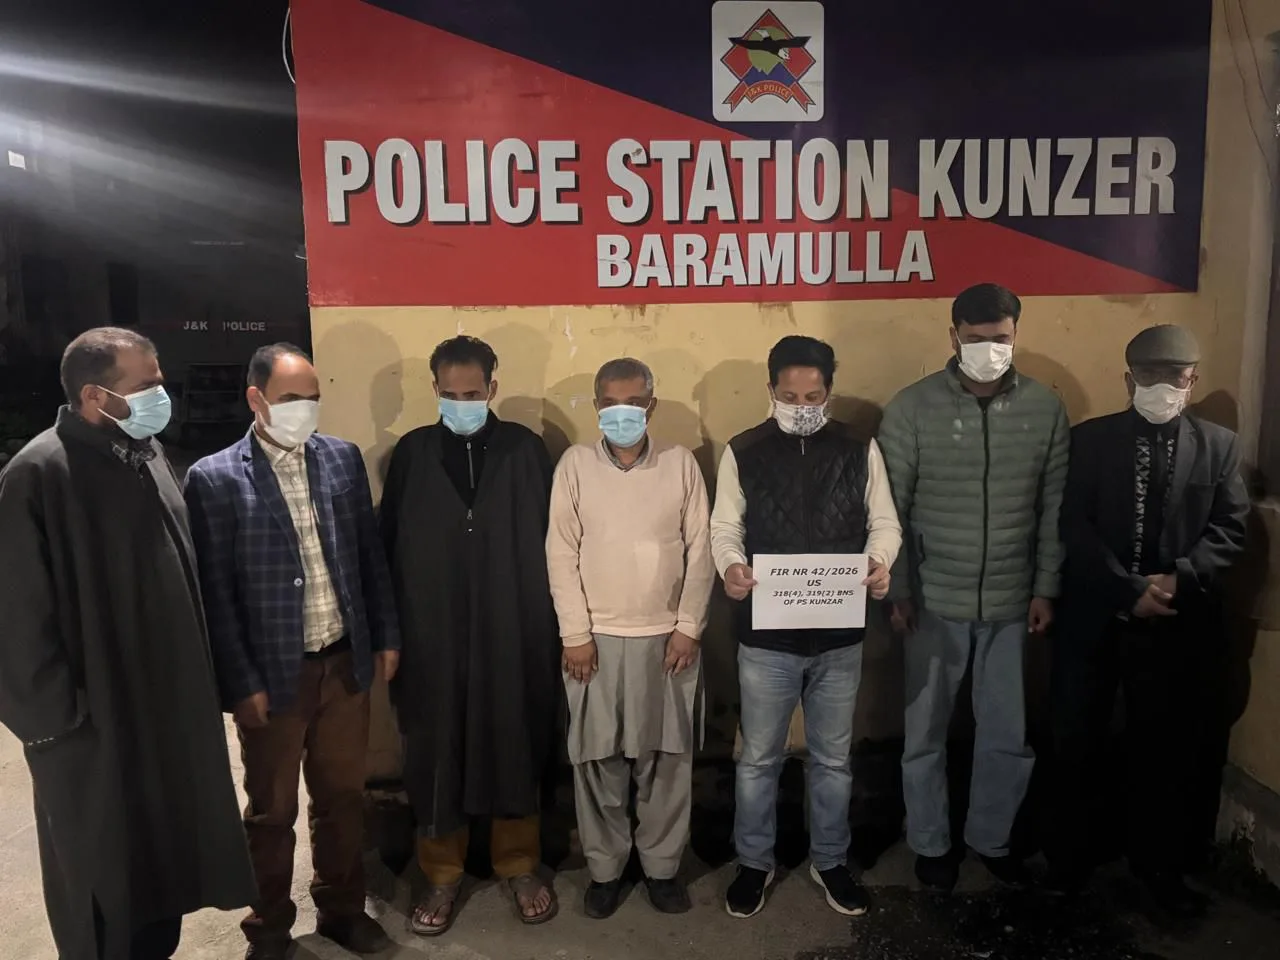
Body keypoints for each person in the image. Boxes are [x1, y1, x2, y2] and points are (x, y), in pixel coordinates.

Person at [0, 328, 256, 960]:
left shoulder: (144, 455)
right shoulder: (38, 473)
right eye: (147, 385)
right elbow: (17, 620)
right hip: (96, 727)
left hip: (164, 711)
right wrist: (60, 726)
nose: (161, 396)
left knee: (163, 867)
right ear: (95, 395)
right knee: (104, 877)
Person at [183, 344, 400, 959]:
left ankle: (342, 911)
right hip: (273, 677)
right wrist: (239, 682)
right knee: (271, 813)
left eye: (312, 398)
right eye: (289, 399)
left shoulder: (340, 459)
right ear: (256, 399)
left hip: (342, 663)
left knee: (342, 800)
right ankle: (270, 926)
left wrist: (384, 635)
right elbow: (216, 593)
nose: (304, 410)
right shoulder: (216, 478)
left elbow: (368, 556)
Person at [1048, 325, 1248, 912]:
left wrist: (1180, 577)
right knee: (1077, 737)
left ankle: (1158, 864)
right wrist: (1126, 588)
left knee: (1164, 748)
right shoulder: (1089, 441)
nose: (1162, 386)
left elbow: (1230, 527)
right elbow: (1072, 524)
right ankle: (1069, 860)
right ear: (1127, 379)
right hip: (1096, 614)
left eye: (1174, 377)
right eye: (1150, 375)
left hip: (1176, 623)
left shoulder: (1219, 447)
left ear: (1193, 381)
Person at [878, 283, 1069, 891]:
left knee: (1008, 734)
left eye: (1001, 338)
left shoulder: (1045, 408)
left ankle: (992, 838)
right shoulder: (911, 409)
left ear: (1016, 335)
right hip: (933, 601)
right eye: (977, 338)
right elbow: (890, 511)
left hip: (1013, 602)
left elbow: (1053, 508)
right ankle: (930, 843)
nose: (990, 348)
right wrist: (899, 591)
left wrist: (1045, 587)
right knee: (924, 734)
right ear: (953, 335)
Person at [710, 335, 902, 919]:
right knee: (758, 760)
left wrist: (879, 563)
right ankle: (754, 862)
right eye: (789, 396)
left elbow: (884, 522)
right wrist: (731, 567)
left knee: (833, 760)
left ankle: (831, 859)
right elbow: (726, 527)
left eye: (813, 396)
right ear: (770, 390)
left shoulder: (858, 447)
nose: (801, 406)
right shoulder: (744, 450)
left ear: (829, 392)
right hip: (766, 637)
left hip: (839, 637)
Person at [380, 336, 560, 934]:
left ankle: (519, 863)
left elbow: (557, 542)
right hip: (431, 634)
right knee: (436, 748)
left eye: (473, 392)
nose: (462, 402)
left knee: (514, 736)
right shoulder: (411, 454)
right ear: (434, 390)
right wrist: (391, 634)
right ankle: (441, 873)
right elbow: (387, 547)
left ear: (492, 388)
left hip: (514, 627)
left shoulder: (525, 451)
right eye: (450, 393)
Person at [546, 358, 715, 919]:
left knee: (666, 759)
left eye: (635, 404)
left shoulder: (680, 464)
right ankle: (605, 870)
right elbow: (560, 552)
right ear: (597, 406)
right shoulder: (575, 466)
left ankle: (662, 868)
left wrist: (689, 626)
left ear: (651, 406)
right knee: (598, 761)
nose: (623, 413)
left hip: (668, 640)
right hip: (593, 642)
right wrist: (575, 633)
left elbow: (702, 549)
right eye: (612, 404)